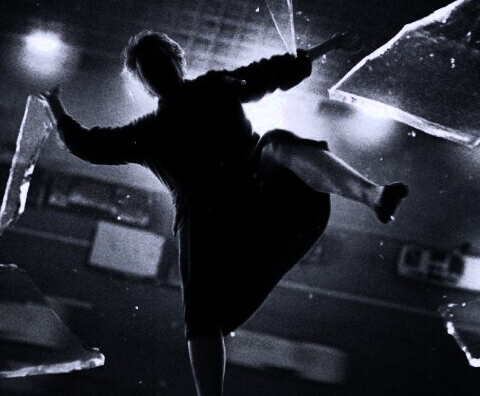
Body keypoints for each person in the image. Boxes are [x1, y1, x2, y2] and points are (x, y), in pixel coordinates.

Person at [40, 30, 408, 396]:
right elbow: (86, 144)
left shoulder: (215, 87)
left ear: (177, 63)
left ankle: (373, 195)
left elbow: (276, 71)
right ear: (146, 84)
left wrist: (334, 44)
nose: (158, 70)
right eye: (149, 68)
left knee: (277, 143)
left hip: (259, 192)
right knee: (201, 313)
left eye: (160, 61)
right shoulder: (149, 131)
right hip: (210, 220)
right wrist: (54, 104)